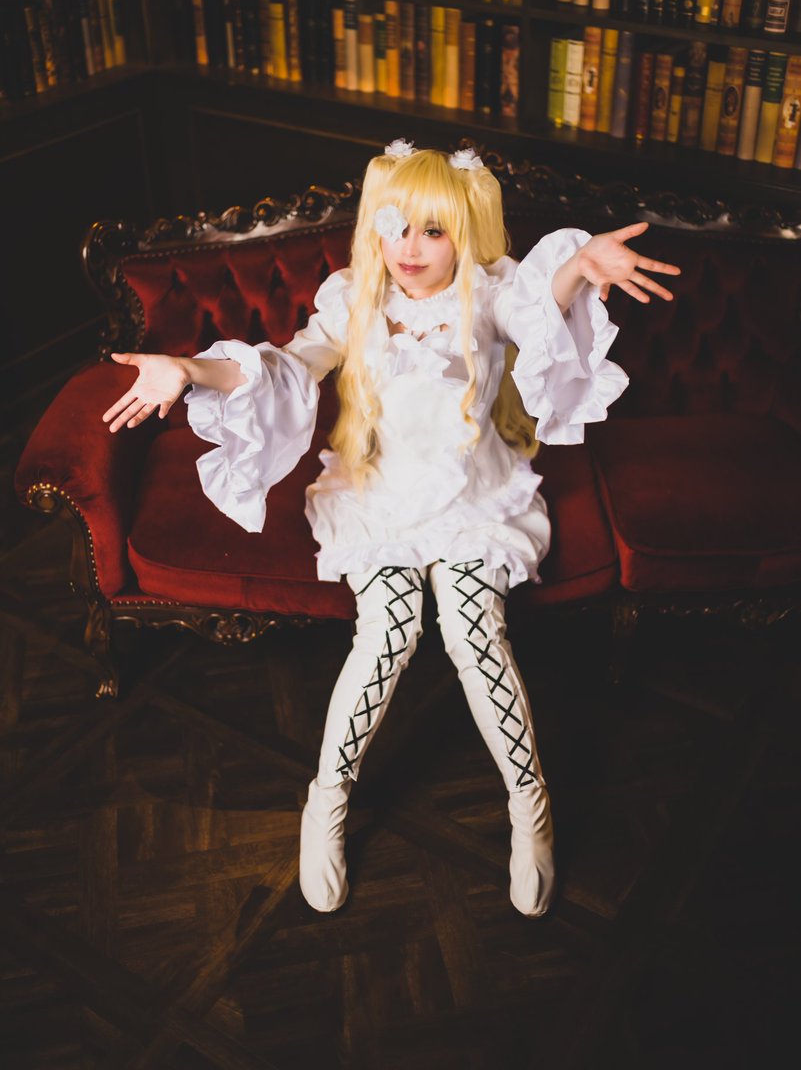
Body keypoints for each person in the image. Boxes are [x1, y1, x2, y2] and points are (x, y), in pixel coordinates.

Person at [102, 140, 680, 918]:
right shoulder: (353, 299)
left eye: (433, 231)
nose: (410, 248)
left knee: (475, 634)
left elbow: (540, 302)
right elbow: (283, 366)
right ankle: (326, 800)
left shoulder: (488, 293)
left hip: (476, 500)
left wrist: (578, 266)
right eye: (396, 226)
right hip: (374, 497)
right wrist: (189, 369)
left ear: (461, 233)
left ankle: (528, 806)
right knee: (386, 634)